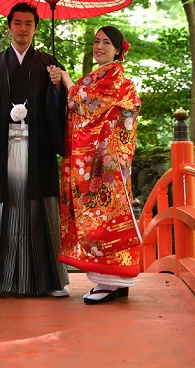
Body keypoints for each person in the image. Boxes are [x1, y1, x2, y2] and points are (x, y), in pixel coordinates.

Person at [0, 2, 69, 299]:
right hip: (1, 147)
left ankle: (50, 281)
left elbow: (63, 108)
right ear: (9, 26)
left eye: (29, 24)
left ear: (36, 28)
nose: (23, 29)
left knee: (40, 209)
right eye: (18, 23)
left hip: (38, 148)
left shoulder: (49, 64)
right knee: (2, 211)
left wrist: (59, 87)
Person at [49, 26, 141, 304]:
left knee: (106, 216)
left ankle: (113, 281)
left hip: (107, 163)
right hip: (98, 160)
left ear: (118, 50)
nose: (99, 46)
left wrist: (65, 80)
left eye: (106, 43)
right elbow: (80, 107)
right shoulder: (96, 77)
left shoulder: (115, 78)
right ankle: (110, 281)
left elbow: (87, 105)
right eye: (96, 41)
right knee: (98, 217)